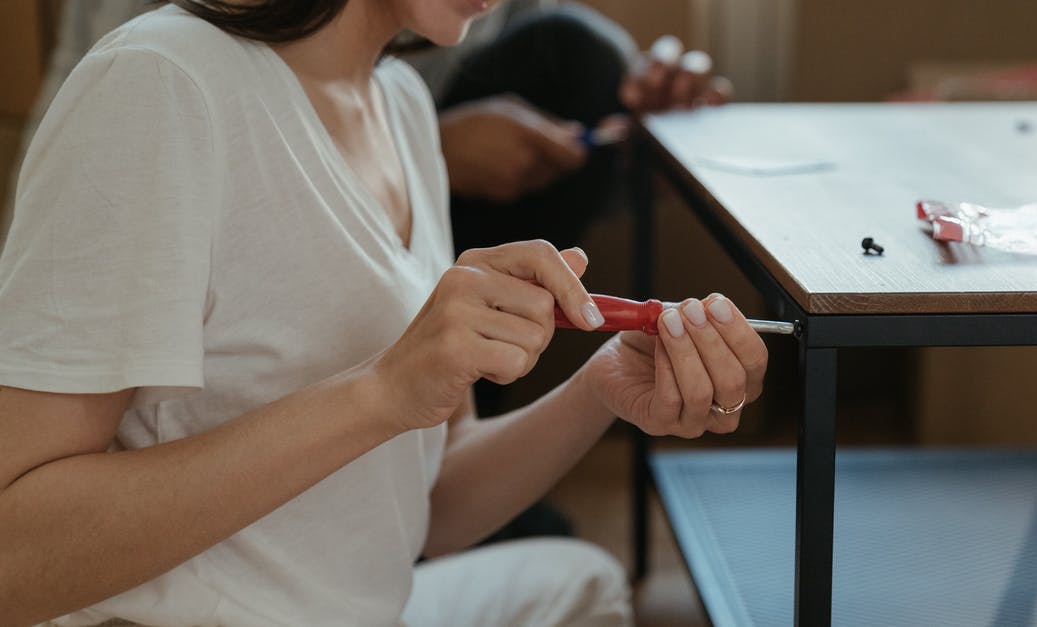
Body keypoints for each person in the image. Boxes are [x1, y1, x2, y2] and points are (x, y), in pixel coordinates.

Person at [0, 1, 767, 626]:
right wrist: (381, 391)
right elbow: (14, 559)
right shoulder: (159, 82)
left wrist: (602, 385)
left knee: (580, 584)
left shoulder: (399, 103)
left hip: (359, 603)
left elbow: (430, 502)